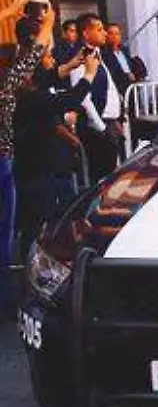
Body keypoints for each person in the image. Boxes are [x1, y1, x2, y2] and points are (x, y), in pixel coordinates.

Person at [14, 44, 98, 259]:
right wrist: (89, 74)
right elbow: (68, 99)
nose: (52, 60)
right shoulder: (31, 98)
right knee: (36, 224)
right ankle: (29, 266)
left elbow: (46, 79)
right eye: (48, 57)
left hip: (34, 168)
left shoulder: (24, 90)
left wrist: (72, 65)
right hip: (34, 170)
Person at [1, 0, 55, 314]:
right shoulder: (9, 83)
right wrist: (49, 18)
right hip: (3, 160)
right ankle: (5, 300)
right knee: (4, 234)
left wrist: (7, 14)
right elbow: (40, 44)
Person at [72, 12, 129, 182]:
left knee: (112, 174)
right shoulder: (80, 57)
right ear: (86, 33)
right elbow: (83, 97)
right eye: (99, 29)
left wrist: (117, 116)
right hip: (97, 127)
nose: (104, 33)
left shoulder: (100, 54)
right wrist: (101, 127)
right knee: (101, 177)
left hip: (110, 122)